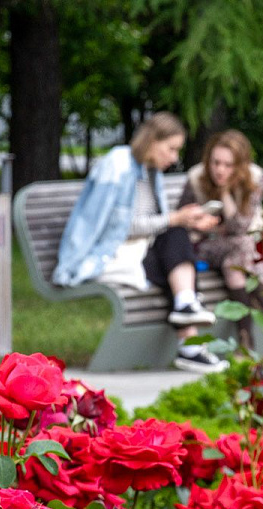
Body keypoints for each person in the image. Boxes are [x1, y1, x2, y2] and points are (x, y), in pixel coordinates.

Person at [53, 112, 226, 373]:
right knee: (174, 242)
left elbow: (151, 224)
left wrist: (188, 222)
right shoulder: (119, 164)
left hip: (137, 250)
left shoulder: (149, 170)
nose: (174, 157)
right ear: (152, 141)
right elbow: (116, 229)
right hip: (108, 254)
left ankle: (187, 310)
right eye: (171, 149)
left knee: (176, 244)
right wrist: (174, 219)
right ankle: (190, 336)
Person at [178, 129, 263, 350]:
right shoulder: (196, 178)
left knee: (235, 262)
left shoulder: (255, 179)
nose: (220, 170)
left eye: (228, 165)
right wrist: (200, 221)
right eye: (215, 163)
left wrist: (225, 194)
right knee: (241, 247)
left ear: (239, 166)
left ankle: (245, 339)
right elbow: (182, 220)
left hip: (238, 250)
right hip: (204, 246)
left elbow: (240, 226)